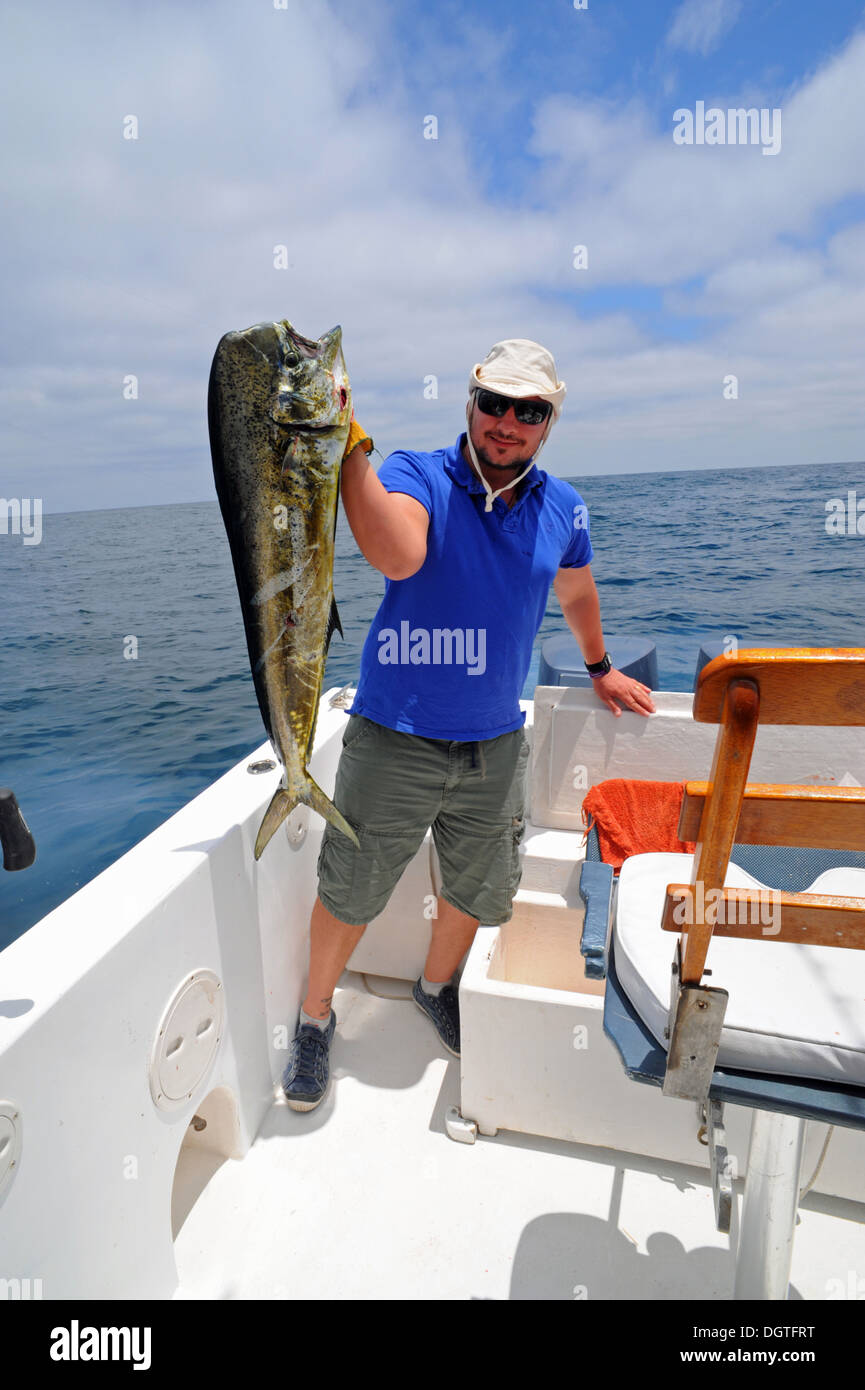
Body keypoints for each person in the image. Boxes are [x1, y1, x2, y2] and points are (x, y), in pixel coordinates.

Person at [281, 338, 655, 1110]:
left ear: (548, 421)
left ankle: (433, 986)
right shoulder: (417, 472)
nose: (507, 423)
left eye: (529, 410)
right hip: (395, 734)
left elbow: (576, 593)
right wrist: (350, 450)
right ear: (470, 406)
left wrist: (598, 667)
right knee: (353, 886)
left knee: (474, 887)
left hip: (494, 741)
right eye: (494, 404)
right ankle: (314, 1018)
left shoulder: (562, 506)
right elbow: (396, 553)